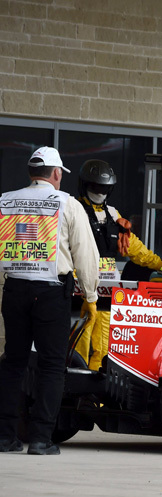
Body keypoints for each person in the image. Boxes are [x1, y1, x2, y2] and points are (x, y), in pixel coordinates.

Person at [0, 147, 99, 455]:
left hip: (13, 290)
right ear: (56, 174)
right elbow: (86, 254)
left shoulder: (5, 201)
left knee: (12, 363)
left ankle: (5, 436)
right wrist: (91, 296)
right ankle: (41, 438)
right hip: (51, 294)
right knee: (52, 366)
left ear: (32, 173)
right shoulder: (67, 204)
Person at [74, 159, 162, 371]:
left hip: (109, 289)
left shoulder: (112, 214)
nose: (100, 192)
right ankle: (71, 390)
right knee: (79, 343)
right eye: (96, 187)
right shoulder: (74, 209)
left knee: (103, 345)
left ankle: (94, 396)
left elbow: (133, 246)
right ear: (85, 185)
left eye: (104, 188)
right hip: (80, 288)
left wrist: (158, 264)